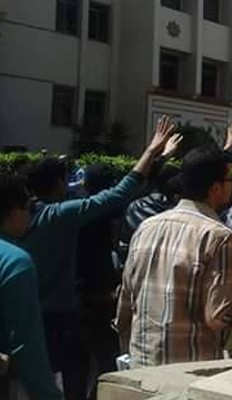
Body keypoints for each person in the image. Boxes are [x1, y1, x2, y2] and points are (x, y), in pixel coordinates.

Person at [20, 115, 176, 398]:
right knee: (78, 379)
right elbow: (118, 195)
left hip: (29, 317)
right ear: (57, 183)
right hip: (63, 318)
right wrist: (152, 152)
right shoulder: (61, 215)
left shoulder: (24, 218)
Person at [115, 147, 232, 368]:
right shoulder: (220, 237)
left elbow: (126, 300)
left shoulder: (147, 227)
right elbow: (220, 316)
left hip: (142, 364)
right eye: (231, 180)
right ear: (216, 188)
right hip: (190, 366)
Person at [0, 174, 63, 399]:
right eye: (28, 208)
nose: (30, 215)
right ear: (13, 213)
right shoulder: (15, 262)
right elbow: (27, 347)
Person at [74, 165, 123, 399]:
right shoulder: (109, 213)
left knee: (82, 366)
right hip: (102, 296)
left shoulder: (75, 211)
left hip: (78, 297)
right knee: (106, 362)